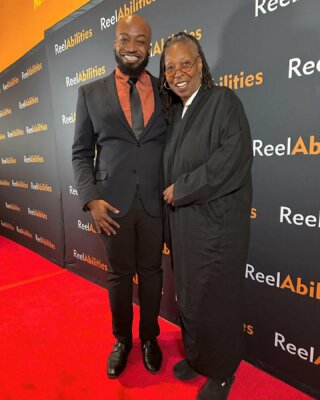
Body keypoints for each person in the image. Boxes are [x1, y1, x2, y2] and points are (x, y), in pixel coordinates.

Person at [72, 14, 167, 379]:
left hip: (156, 201)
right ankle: (122, 340)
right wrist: (91, 199)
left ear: (149, 47)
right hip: (111, 204)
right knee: (118, 275)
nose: (131, 47)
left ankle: (149, 338)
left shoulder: (165, 90)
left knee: (153, 272)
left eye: (140, 41)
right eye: (124, 39)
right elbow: (81, 152)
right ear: (114, 43)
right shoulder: (90, 93)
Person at [159, 32, 253, 400]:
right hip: (185, 230)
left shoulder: (223, 101)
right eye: (170, 67)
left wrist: (182, 188)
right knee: (191, 301)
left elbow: (233, 159)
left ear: (201, 65)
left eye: (186, 63)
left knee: (216, 302)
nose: (178, 72)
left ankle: (223, 370)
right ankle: (198, 358)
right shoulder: (178, 114)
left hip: (217, 229)